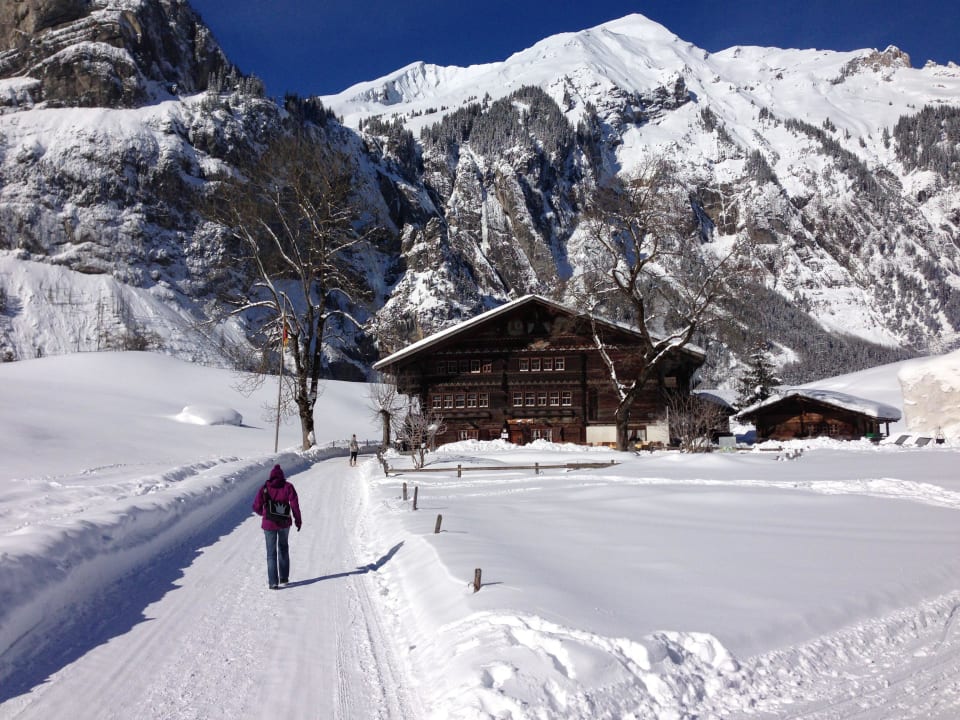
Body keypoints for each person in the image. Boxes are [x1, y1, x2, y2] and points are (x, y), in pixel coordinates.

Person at [252, 464, 302, 589]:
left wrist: (264, 513)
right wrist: (298, 520)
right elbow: (294, 505)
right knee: (283, 548)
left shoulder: (265, 488)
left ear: (271, 476)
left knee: (271, 553)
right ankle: (284, 577)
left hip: (269, 524)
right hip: (285, 523)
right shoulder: (288, 487)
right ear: (282, 476)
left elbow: (256, 506)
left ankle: (273, 582)